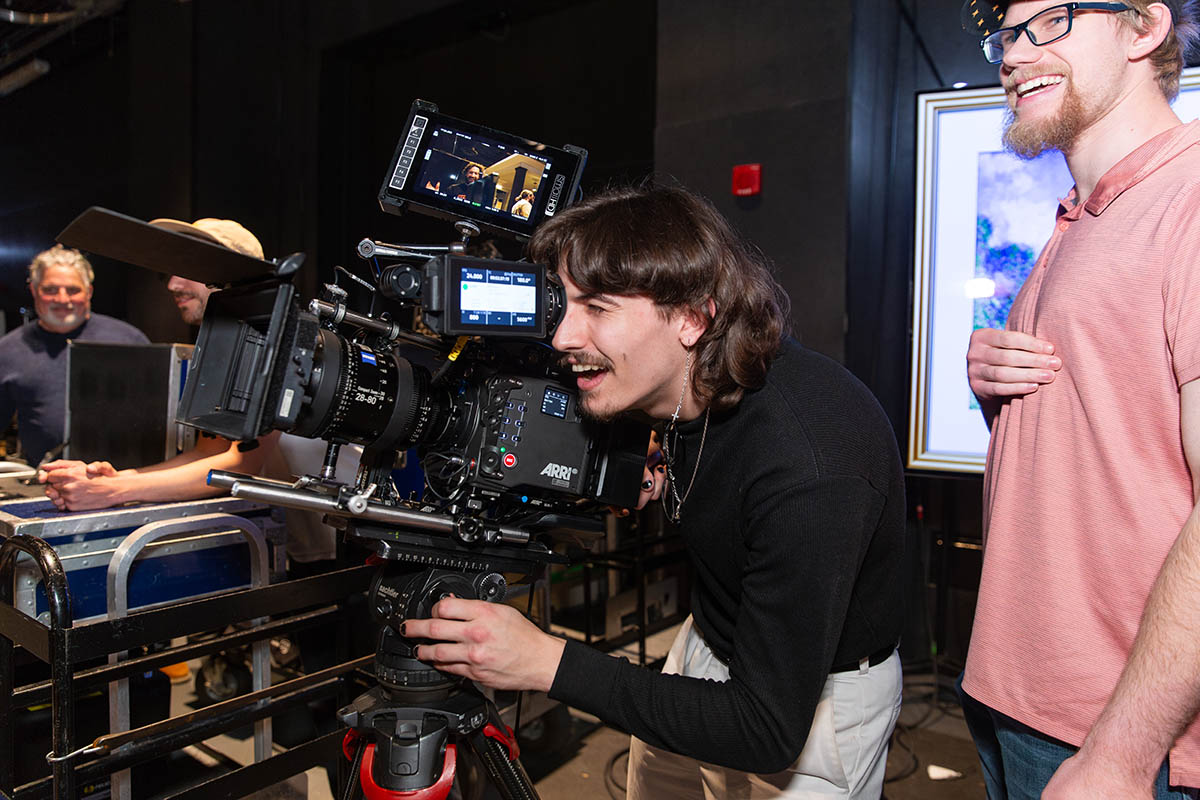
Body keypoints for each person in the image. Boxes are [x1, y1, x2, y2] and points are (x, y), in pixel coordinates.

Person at [402, 185, 906, 799]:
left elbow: (765, 729)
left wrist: (545, 662)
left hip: (807, 701)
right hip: (708, 645)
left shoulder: (810, 465)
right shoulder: (689, 385)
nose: (562, 336)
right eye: (564, 303)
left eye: (598, 308)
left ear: (693, 318)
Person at [959, 1, 1200, 797]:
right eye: (1007, 33)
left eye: (1052, 20)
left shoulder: (1191, 196)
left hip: (1116, 733)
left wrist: (1124, 753)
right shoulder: (1079, 215)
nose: (1014, 53)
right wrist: (995, 387)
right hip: (1018, 697)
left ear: (1146, 28)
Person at [0, 244, 148, 466]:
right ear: (33, 290)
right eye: (50, 290)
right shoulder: (8, 350)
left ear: (89, 292)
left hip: (124, 483)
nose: (62, 299)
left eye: (73, 290)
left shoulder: (129, 340)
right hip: (46, 487)